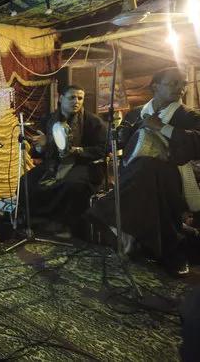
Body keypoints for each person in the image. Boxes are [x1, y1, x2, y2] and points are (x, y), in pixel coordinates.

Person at [84, 67, 200, 277]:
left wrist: (163, 128)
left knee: (148, 167)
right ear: (155, 86)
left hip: (174, 176)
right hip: (138, 176)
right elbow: (125, 143)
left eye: (182, 84)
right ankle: (169, 252)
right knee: (145, 170)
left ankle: (115, 218)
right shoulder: (136, 114)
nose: (180, 89)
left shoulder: (188, 115)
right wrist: (119, 136)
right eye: (173, 83)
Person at [22, 85, 107, 227]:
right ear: (61, 98)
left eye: (80, 98)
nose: (76, 102)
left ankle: (65, 226)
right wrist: (41, 146)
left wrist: (76, 150)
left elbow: (102, 149)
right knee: (26, 181)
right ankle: (36, 222)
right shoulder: (48, 120)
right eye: (72, 97)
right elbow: (37, 151)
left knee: (71, 185)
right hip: (53, 164)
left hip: (83, 164)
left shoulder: (92, 122)